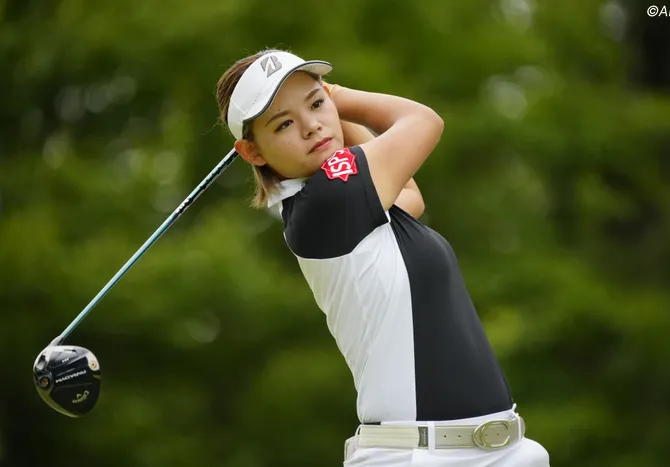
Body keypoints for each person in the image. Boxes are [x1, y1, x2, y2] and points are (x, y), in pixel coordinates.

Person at [215, 49, 550, 467]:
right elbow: (423, 122)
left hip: (491, 452)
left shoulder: (345, 208)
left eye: (315, 105)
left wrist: (325, 107)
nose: (311, 126)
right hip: (422, 458)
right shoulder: (328, 199)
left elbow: (410, 196)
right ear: (252, 152)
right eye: (284, 123)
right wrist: (337, 96)